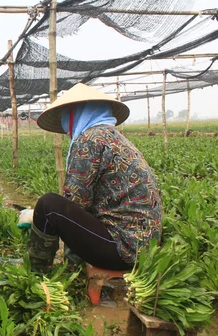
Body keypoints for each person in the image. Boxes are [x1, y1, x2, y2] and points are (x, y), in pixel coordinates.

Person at [20, 83, 162, 273]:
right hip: (145, 247)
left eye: (65, 115)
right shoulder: (113, 137)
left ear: (75, 113)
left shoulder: (89, 140)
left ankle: (36, 271)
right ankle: (71, 266)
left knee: (48, 206)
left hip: (124, 250)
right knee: (58, 208)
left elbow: (76, 203)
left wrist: (35, 215)